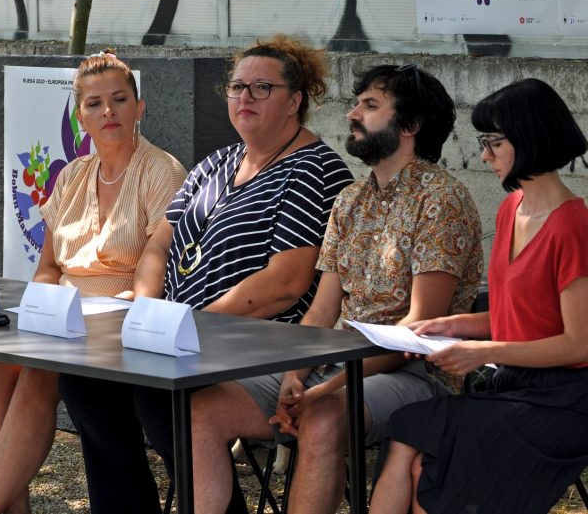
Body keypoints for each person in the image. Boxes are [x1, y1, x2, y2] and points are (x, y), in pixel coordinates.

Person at [58, 35, 355, 514]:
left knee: (158, 396)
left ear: (294, 101)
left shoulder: (316, 169)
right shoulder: (218, 161)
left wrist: (193, 322)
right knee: (85, 381)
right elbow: (159, 244)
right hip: (181, 330)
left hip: (254, 340)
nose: (245, 97)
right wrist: (149, 308)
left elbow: (285, 283)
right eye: (237, 87)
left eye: (262, 88)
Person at [187, 63, 484, 514]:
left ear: (409, 125)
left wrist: (326, 388)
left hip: (417, 375)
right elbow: (322, 312)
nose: (352, 114)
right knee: (202, 410)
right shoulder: (350, 200)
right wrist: (294, 376)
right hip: (335, 366)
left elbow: (416, 332)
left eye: (370, 105)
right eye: (356, 103)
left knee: (322, 417)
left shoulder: (441, 200)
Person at [0, 50, 187, 514]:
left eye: (119, 99)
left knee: (40, 373)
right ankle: (13, 506)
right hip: (64, 318)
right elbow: (49, 267)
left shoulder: (162, 171)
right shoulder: (71, 175)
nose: (108, 112)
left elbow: (156, 268)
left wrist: (107, 315)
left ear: (139, 107)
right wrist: (41, 314)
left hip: (121, 322)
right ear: (80, 117)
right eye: (94, 103)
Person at [370, 78, 588, 514]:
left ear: (530, 138)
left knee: (431, 466)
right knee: (409, 428)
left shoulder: (573, 227)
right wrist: (453, 325)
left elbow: (578, 344)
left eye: (494, 142)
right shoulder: (511, 209)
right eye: (482, 142)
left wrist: (481, 351)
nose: (485, 155)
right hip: (513, 383)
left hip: (564, 400)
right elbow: (522, 317)